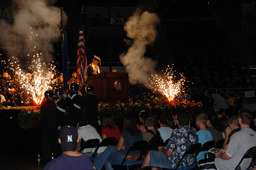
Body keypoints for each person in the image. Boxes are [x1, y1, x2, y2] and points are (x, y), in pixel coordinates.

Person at [41, 90, 61, 164]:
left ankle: (46, 158)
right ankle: (57, 157)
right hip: (53, 127)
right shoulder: (53, 104)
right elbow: (55, 116)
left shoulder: (43, 104)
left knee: (46, 144)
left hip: (46, 127)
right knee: (55, 143)